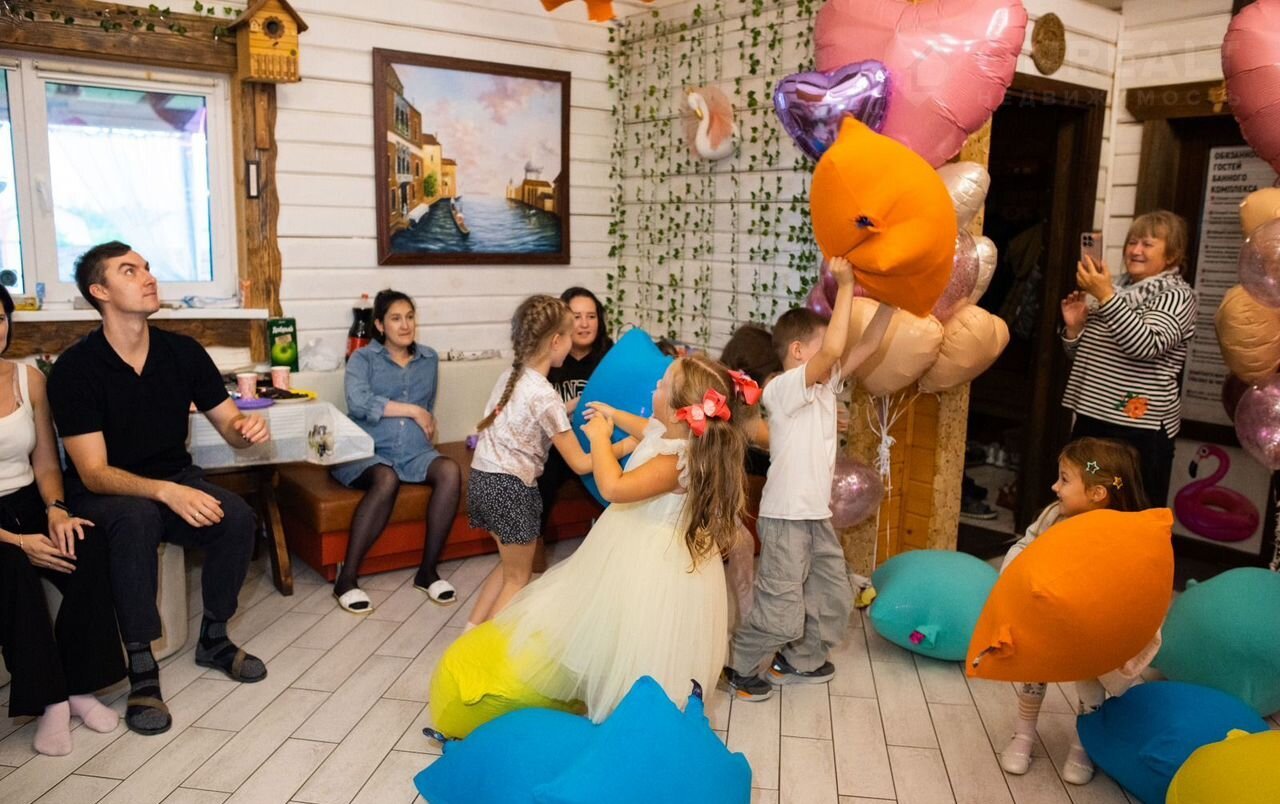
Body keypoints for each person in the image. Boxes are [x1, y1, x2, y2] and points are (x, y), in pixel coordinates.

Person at [47, 241, 271, 737]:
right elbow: (93, 472)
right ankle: (142, 666)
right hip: (104, 493)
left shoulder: (183, 352)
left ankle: (214, 637)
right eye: (129, 271)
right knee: (138, 517)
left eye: (147, 267)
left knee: (236, 517)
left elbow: (230, 424)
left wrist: (246, 430)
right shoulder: (75, 369)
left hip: (173, 479)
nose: (148, 277)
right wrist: (167, 493)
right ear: (100, 291)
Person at [493, 352, 756, 720]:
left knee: (640, 639)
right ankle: (609, 697)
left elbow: (613, 487)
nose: (656, 385)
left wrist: (600, 438)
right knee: (614, 632)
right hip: (637, 545)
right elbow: (646, 428)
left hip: (652, 562)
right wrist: (615, 414)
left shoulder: (675, 462)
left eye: (664, 384)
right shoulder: (670, 434)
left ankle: (634, 713)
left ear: (679, 412)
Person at [722, 258, 892, 701]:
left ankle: (799, 659)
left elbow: (869, 343)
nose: (832, 355)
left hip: (815, 517)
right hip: (785, 518)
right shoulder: (783, 389)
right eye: (821, 348)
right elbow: (834, 350)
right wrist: (847, 284)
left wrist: (894, 303)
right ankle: (738, 665)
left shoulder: (825, 387)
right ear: (798, 352)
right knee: (782, 610)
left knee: (834, 596)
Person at [0, 286, 125, 756]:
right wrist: (17, 541)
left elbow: (46, 461)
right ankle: (50, 699)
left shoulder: (28, 379)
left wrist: (56, 510)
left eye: (0, 318)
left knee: (86, 545)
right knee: (13, 568)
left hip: (28, 500)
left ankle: (79, 687)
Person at [466, 295, 632, 627]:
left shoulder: (512, 377)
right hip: (511, 490)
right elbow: (581, 463)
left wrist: (574, 405)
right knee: (519, 579)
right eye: (568, 336)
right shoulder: (544, 396)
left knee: (507, 569)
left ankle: (468, 635)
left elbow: (536, 412)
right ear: (556, 341)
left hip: (482, 481)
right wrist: (627, 444)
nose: (572, 342)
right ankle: (483, 650)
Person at [997, 437, 1153, 784]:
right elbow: (1026, 544)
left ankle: (1084, 744)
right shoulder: (1054, 515)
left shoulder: (1123, 533)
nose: (1055, 487)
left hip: (1089, 627)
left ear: (1097, 493)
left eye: (1064, 479)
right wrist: (1015, 575)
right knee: (1034, 670)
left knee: (1090, 680)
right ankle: (1023, 734)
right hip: (1048, 617)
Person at [330, 290, 462, 613]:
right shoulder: (362, 359)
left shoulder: (429, 359)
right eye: (395, 318)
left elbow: (428, 407)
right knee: (386, 478)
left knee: (450, 471)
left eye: (410, 317)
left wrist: (424, 423)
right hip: (368, 449)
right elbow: (358, 403)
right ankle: (346, 579)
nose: (405, 325)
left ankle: (427, 572)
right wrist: (413, 411)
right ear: (379, 324)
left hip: (414, 451)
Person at [1061, 210, 1196, 508]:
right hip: (1092, 421)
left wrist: (1106, 297)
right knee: (1085, 501)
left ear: (1172, 254)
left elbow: (1145, 345)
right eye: (1132, 242)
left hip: (1137, 432)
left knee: (1129, 507)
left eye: (1148, 244)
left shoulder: (1177, 295)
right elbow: (1088, 357)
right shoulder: (1116, 290)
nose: (1135, 250)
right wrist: (1074, 330)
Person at [537, 287, 612, 540]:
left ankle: (613, 540)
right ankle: (532, 543)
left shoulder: (610, 356)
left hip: (600, 439)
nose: (584, 324)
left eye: (591, 316)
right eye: (576, 317)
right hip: (558, 443)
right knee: (543, 472)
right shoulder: (551, 357)